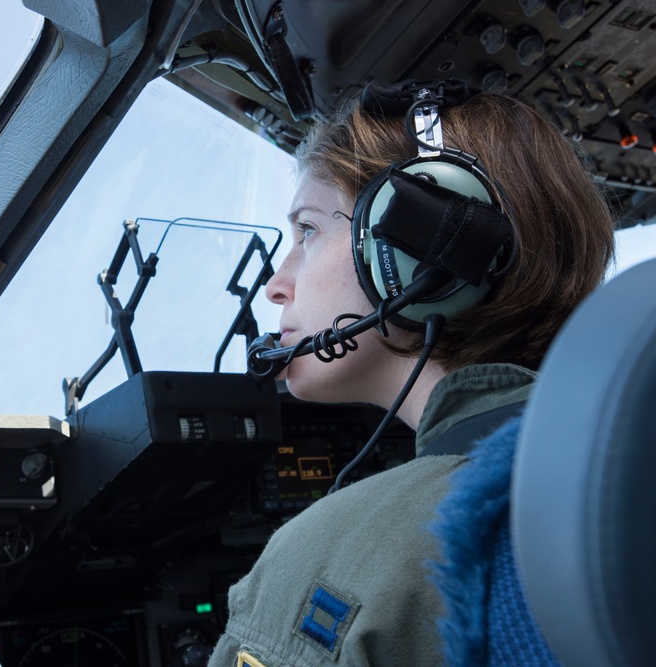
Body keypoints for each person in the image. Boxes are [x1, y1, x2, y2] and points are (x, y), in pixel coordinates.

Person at [208, 85, 614, 666]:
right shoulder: (614, 466)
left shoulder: (334, 558)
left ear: (422, 252)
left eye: (308, 231)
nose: (277, 283)